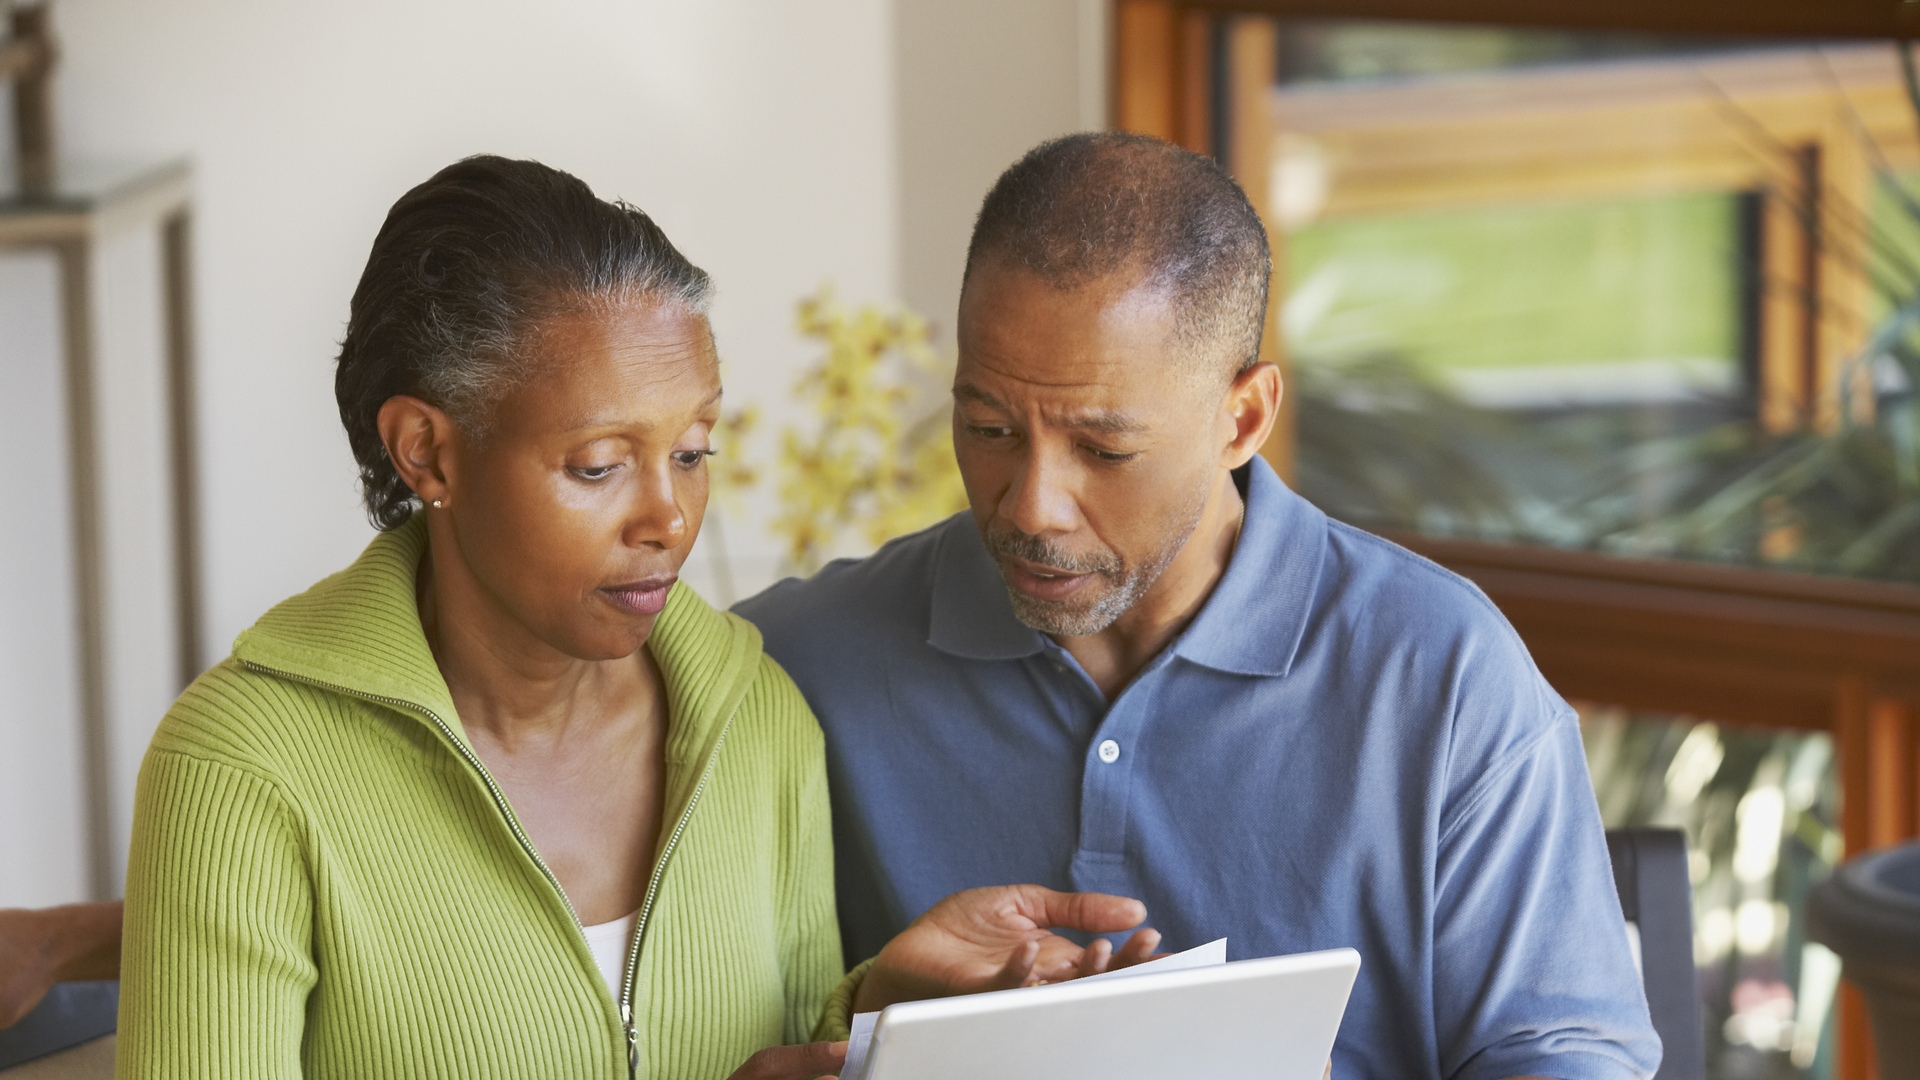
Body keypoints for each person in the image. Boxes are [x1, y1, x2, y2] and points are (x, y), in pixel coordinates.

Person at [106, 155, 1157, 1080]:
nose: (669, 515)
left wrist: (878, 1016)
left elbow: (774, 1043)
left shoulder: (756, 718)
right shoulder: (241, 772)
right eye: (600, 465)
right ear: (427, 451)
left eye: (694, 452)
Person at [734, 132, 1664, 1080]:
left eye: (1103, 450)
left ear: (1244, 419)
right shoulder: (792, 665)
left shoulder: (1442, 674)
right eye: (990, 429)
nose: (1029, 506)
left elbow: (1568, 1055)